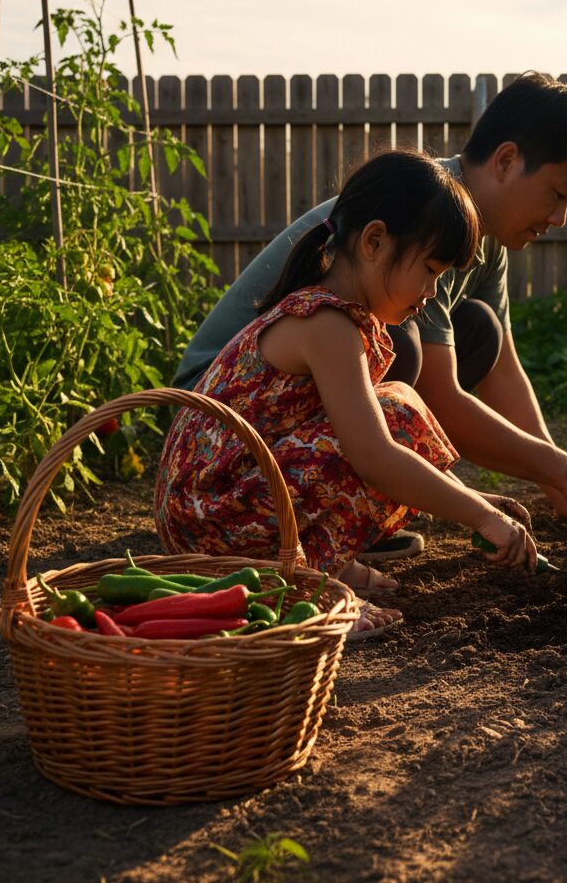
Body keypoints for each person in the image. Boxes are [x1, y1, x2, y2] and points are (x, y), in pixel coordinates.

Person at [173, 72, 567, 547]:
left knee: (478, 329)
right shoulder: (423, 215)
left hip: (273, 429)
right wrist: (540, 483)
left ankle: (348, 516)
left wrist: (561, 482)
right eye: (560, 194)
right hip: (218, 429)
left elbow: (503, 372)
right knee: (399, 353)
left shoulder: (478, 239)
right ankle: (342, 520)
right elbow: (435, 400)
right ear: (506, 160)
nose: (560, 218)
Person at [155, 151, 538, 640]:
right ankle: (308, 588)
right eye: (430, 269)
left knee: (394, 402)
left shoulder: (334, 314)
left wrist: (474, 500)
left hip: (209, 508)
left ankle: (325, 563)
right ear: (375, 241)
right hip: (208, 521)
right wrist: (481, 516)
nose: (431, 290)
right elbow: (375, 458)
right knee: (395, 417)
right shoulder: (326, 323)